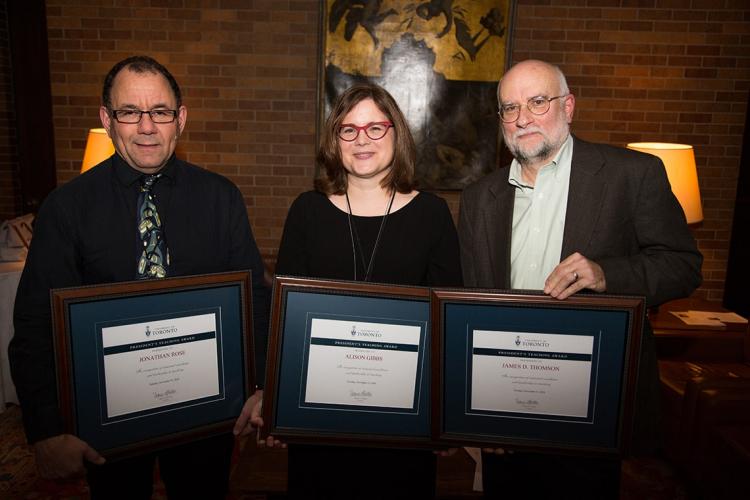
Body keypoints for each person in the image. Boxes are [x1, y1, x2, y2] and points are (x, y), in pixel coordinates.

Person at [10, 55, 270, 499]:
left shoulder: (221, 198)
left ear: (180, 119)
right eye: (130, 112)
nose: (147, 126)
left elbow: (255, 303)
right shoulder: (66, 208)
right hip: (106, 423)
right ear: (107, 120)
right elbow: (36, 326)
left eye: (161, 112)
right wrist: (46, 430)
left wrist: (265, 387)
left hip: (205, 415)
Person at [458, 59, 702, 499]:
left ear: (568, 106)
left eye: (537, 101)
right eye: (510, 108)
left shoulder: (632, 174)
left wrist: (609, 273)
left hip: (588, 405)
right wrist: (477, 412)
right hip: (505, 401)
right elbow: (471, 306)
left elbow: (683, 264)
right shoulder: (480, 198)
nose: (523, 118)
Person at [271, 83, 462, 498]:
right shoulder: (307, 210)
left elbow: (448, 320)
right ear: (334, 139)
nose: (362, 140)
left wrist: (445, 414)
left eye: (376, 128)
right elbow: (284, 317)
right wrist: (277, 402)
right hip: (318, 415)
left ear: (397, 134)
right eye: (349, 129)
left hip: (405, 418)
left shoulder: (432, 214)